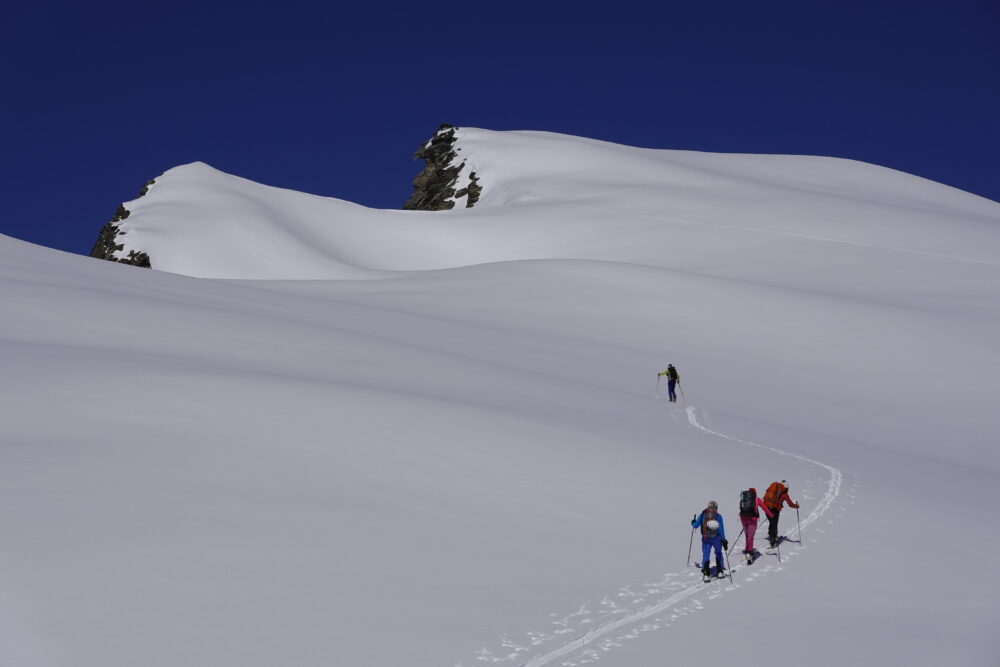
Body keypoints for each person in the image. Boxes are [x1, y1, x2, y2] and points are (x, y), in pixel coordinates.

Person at [692, 500, 728, 581]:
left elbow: (695, 525)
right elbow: (721, 530)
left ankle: (706, 573)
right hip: (717, 539)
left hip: (706, 538)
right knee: (718, 553)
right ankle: (720, 570)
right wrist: (724, 540)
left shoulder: (703, 514)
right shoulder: (718, 516)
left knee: (706, 554)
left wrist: (693, 522)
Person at [737, 487, 773, 563]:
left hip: (743, 518)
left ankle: (747, 549)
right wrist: (771, 515)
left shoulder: (744, 498)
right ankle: (749, 552)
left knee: (747, 535)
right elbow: (765, 508)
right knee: (751, 536)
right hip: (752, 519)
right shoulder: (757, 499)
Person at [762, 480, 799, 548]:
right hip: (775, 510)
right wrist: (796, 506)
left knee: (771, 522)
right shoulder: (784, 494)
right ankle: (773, 540)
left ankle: (771, 534)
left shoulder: (775, 489)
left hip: (766, 507)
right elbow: (790, 504)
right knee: (774, 524)